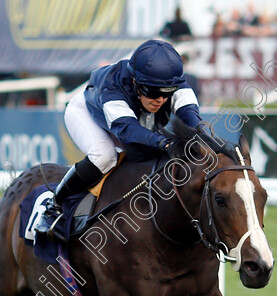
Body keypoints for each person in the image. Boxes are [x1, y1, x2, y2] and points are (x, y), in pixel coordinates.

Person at [34, 39, 202, 238]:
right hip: (88, 113)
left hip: (134, 117)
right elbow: (128, 132)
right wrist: (164, 142)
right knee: (104, 156)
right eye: (152, 91)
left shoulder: (172, 83)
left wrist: (205, 140)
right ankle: (54, 205)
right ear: (134, 81)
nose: (160, 100)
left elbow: (193, 121)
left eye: (167, 94)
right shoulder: (113, 86)